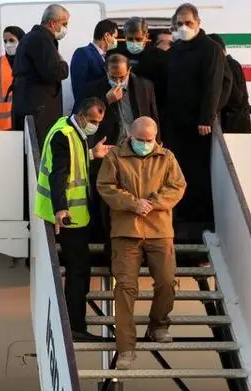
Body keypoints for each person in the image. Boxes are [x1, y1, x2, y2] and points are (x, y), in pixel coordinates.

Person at [96, 116, 186, 370]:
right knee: (125, 288)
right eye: (140, 139)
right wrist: (132, 203)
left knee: (167, 281)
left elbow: (177, 186)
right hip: (126, 231)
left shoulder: (167, 157)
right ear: (130, 135)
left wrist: (153, 203)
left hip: (159, 230)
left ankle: (158, 324)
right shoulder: (115, 157)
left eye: (149, 140)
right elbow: (105, 186)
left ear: (156, 137)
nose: (145, 144)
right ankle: (126, 348)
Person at [34, 97, 114, 342]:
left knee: (79, 269)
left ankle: (75, 325)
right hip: (67, 217)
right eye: (92, 121)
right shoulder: (64, 135)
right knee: (78, 271)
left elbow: (72, 161)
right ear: (80, 116)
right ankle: (75, 326)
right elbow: (58, 174)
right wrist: (61, 209)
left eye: (98, 122)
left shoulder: (70, 128)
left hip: (75, 215)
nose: (95, 126)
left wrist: (92, 154)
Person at [83, 52, 160, 252]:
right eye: (113, 77)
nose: (117, 81)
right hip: (109, 151)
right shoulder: (93, 89)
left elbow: (153, 117)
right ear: (106, 71)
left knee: (138, 198)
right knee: (109, 201)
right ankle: (110, 246)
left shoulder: (144, 86)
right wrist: (105, 101)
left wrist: (157, 147)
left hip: (137, 151)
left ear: (129, 71)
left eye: (122, 77)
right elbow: (84, 117)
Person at [166, 3, 225, 237]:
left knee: (197, 171)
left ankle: (199, 220)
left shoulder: (210, 49)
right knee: (177, 170)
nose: (184, 27)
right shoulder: (176, 49)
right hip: (176, 122)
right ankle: (180, 216)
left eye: (188, 23)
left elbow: (213, 85)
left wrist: (206, 118)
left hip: (198, 124)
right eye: (179, 23)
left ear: (198, 23)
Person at [11, 4, 70, 148]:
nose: (65, 28)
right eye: (64, 24)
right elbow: (53, 72)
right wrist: (63, 64)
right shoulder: (42, 39)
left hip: (27, 104)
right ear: (53, 23)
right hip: (40, 109)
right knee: (40, 150)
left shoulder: (30, 38)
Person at [108, 17, 168, 119]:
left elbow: (164, 89)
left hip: (148, 107)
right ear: (125, 37)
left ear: (146, 36)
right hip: (121, 108)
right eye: (130, 39)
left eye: (138, 39)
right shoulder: (114, 54)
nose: (134, 42)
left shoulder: (159, 57)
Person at [208, 33, 251, 133]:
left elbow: (235, 98)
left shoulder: (231, 66)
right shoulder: (226, 65)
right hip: (232, 126)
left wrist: (212, 106)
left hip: (235, 128)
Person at [0, 26, 26, 131]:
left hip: (23, 124)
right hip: (2, 126)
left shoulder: (29, 63)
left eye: (11, 40)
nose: (8, 44)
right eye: (5, 41)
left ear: (21, 41)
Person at [70, 19, 119, 105]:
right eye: (115, 37)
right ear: (106, 35)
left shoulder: (108, 57)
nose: (116, 41)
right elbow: (79, 89)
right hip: (89, 109)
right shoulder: (83, 53)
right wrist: (106, 99)